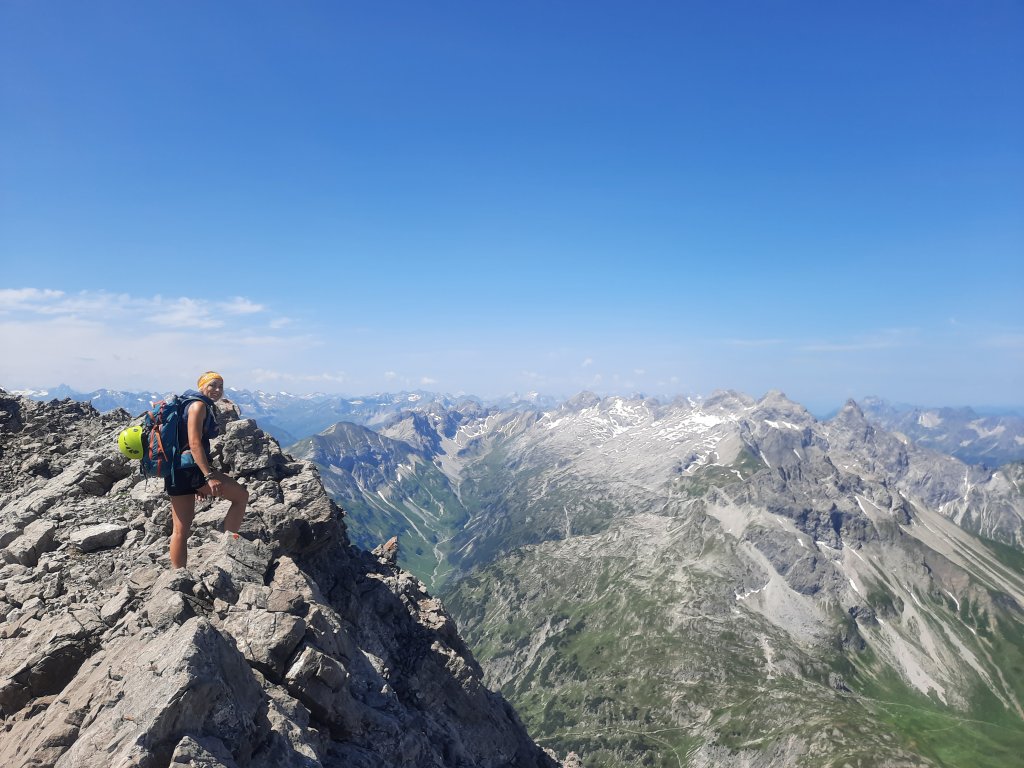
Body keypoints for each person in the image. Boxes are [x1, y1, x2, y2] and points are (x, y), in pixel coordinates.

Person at [166, 371, 248, 568]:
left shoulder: (186, 404)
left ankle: (178, 574)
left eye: (220, 386)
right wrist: (208, 477)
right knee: (241, 497)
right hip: (192, 470)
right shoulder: (199, 406)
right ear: (201, 386)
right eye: (212, 385)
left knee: (180, 530)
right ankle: (229, 550)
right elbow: (195, 444)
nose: (217, 390)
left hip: (175, 471)